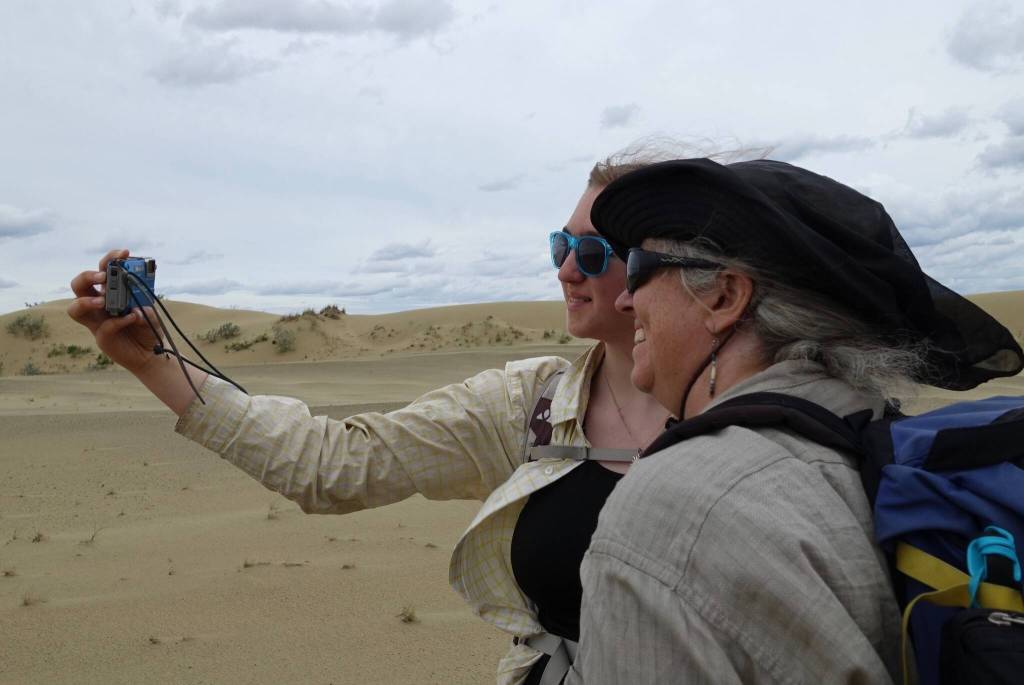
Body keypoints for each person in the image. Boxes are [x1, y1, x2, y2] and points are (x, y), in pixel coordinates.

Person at [67, 171, 670, 685]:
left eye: (592, 255)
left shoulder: (751, 420)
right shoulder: (531, 406)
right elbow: (334, 467)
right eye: (559, 245)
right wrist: (152, 363)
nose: (565, 270)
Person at [562, 158, 1024, 683]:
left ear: (723, 296)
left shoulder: (673, 507)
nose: (625, 299)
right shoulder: (873, 432)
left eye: (641, 268)